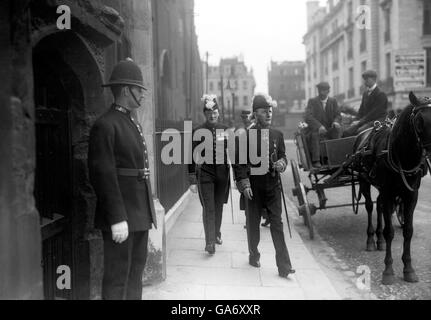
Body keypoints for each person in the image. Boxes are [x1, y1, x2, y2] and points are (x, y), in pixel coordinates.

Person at [88, 58, 157, 300]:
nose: (143, 95)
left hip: (138, 214)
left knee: (135, 275)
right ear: (127, 90)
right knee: (117, 278)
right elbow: (103, 174)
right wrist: (117, 217)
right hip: (123, 217)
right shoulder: (106, 125)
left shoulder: (130, 122)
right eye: (140, 90)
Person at [233, 93, 295, 278]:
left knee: (277, 223)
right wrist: (244, 185)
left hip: (273, 186)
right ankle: (254, 254)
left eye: (270, 111)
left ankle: (284, 266)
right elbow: (239, 163)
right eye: (263, 111)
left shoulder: (278, 135)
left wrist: (282, 164)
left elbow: (283, 155)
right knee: (253, 224)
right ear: (255, 114)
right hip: (254, 187)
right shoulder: (246, 136)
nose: (268, 114)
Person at [188, 94, 231, 255]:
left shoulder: (225, 129)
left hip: (222, 174)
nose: (212, 115)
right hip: (205, 173)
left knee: (218, 206)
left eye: (214, 112)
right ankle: (210, 242)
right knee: (209, 207)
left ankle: (217, 233)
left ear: (218, 113)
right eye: (208, 113)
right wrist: (192, 178)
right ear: (204, 114)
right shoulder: (198, 131)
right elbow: (191, 155)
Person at [304, 82, 342, 168]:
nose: (321, 93)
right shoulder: (312, 101)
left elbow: (338, 115)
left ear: (328, 91)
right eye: (319, 90)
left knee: (337, 131)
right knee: (315, 135)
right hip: (316, 129)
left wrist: (336, 122)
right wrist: (319, 126)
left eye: (324, 91)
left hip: (330, 128)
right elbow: (308, 116)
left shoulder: (333, 101)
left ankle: (335, 157)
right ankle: (316, 160)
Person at [343, 70, 388, 137]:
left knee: (359, 133)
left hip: (377, 121)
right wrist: (356, 120)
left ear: (373, 79)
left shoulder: (381, 94)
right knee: (346, 132)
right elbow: (361, 110)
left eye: (367, 79)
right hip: (366, 121)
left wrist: (360, 122)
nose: (365, 81)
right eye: (364, 79)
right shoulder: (365, 93)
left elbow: (375, 113)